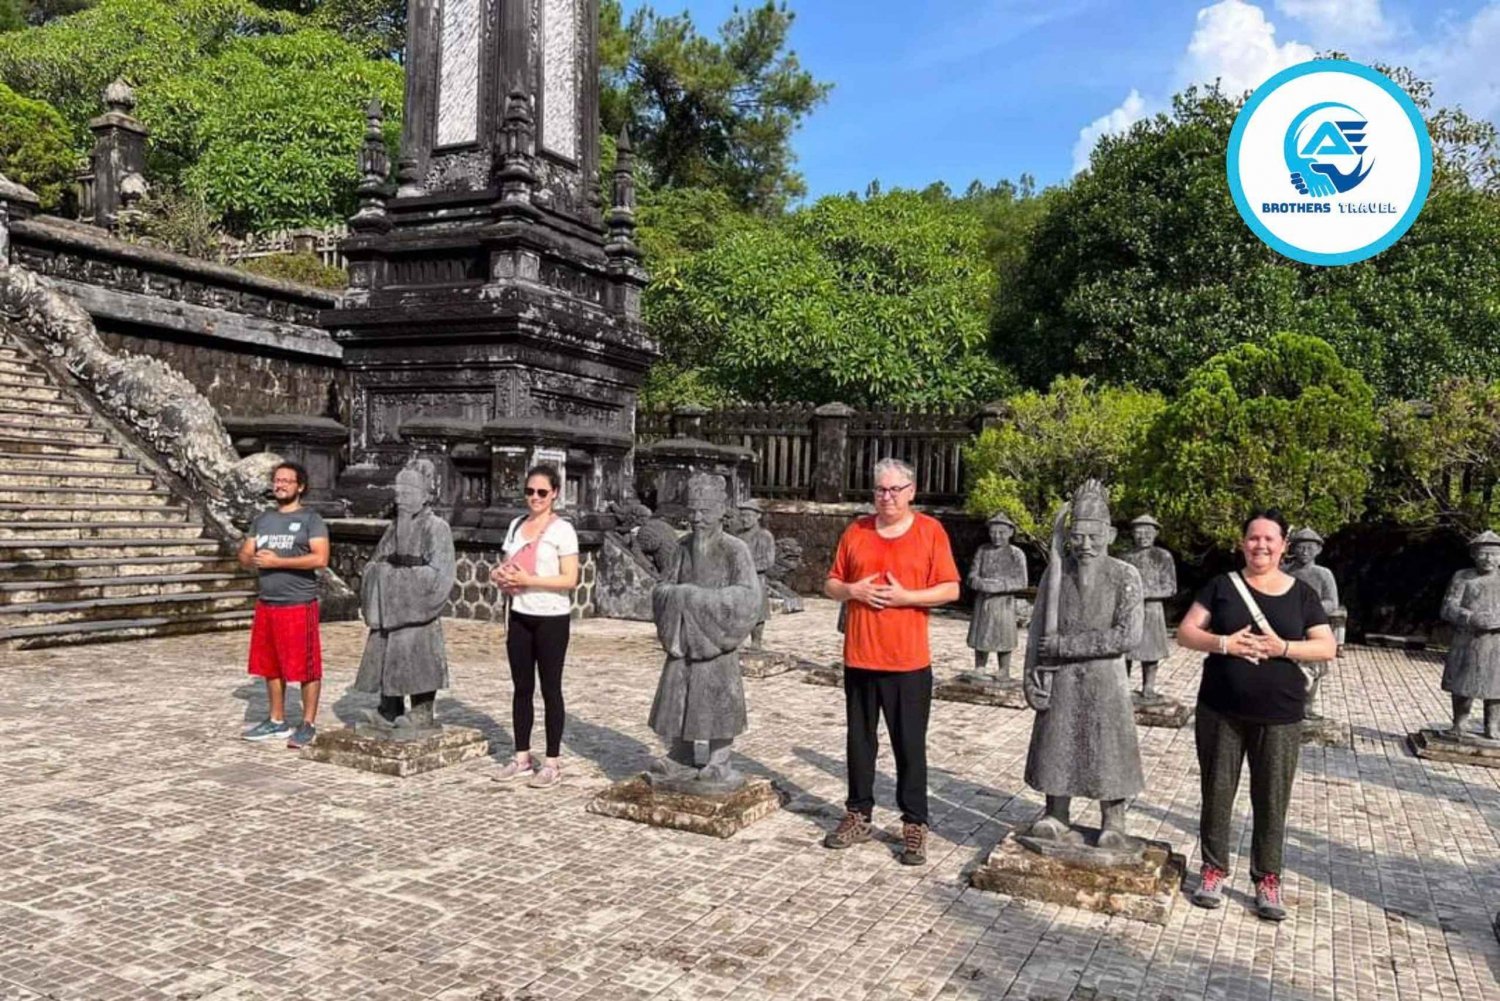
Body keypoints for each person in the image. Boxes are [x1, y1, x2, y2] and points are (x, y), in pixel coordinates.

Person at [1176, 509, 1336, 921]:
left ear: (1284, 546)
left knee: (1271, 799)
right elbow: (1186, 632)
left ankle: (1268, 877)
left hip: (1280, 715)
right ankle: (1213, 869)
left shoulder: (1302, 595)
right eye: (1253, 538)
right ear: (1241, 543)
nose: (1260, 545)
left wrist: (1281, 648)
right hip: (1220, 710)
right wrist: (1225, 643)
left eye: (1269, 539)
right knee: (1217, 792)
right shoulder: (1221, 587)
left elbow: (1325, 647)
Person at [822, 458, 961, 866]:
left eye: (895, 489)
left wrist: (907, 598)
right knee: (859, 742)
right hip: (861, 658)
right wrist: (852, 590)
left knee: (909, 746)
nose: (887, 497)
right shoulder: (857, 531)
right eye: (880, 490)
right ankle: (858, 812)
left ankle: (914, 823)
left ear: (911, 491)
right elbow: (830, 584)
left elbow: (951, 589)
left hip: (908, 662)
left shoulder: (930, 532)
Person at [1020, 480, 1144, 849]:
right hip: (1061, 679)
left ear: (1110, 533)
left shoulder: (1125, 576)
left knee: (1109, 747)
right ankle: (1056, 812)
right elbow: (1038, 630)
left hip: (1107, 680)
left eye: (1093, 536)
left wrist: (1067, 646)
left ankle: (1114, 819)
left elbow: (1127, 636)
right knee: (1058, 743)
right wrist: (1030, 677)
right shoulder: (1057, 573)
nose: (1085, 544)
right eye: (1078, 536)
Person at [645, 473, 760, 788]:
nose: (697, 518)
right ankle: (680, 753)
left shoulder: (735, 549)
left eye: (705, 512)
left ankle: (719, 758)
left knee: (717, 694)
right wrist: (677, 597)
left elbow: (749, 596)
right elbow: (663, 586)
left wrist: (698, 600)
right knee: (678, 691)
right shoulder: (682, 547)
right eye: (692, 511)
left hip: (716, 640)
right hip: (684, 638)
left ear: (721, 511)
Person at [489, 465, 579, 788]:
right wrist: (499, 575)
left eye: (542, 492)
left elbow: (570, 578)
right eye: (530, 492)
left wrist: (531, 580)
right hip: (519, 614)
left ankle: (552, 761)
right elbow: (506, 563)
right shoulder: (516, 526)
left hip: (552, 618)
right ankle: (521, 755)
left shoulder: (562, 531)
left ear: (554, 493)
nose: (535, 498)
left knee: (550, 688)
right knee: (521, 688)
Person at [354, 460, 456, 731]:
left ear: (424, 495)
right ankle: (388, 709)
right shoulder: (393, 527)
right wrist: (381, 575)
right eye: (398, 494)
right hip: (390, 607)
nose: (401, 499)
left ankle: (422, 712)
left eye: (408, 493)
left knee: (418, 656)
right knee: (387, 654)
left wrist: (393, 580)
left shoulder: (436, 528)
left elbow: (440, 576)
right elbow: (375, 562)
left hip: (416, 611)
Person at [238, 461, 330, 749]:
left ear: (300, 486)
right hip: (267, 603)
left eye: (287, 481)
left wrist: (279, 561)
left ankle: (307, 724)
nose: (280, 485)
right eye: (277, 480)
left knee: (305, 667)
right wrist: (248, 554)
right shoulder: (263, 519)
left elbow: (320, 559)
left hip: (298, 603)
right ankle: (276, 720)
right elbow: (244, 558)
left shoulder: (310, 520)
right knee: (270, 664)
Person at [1439, 529, 1500, 740]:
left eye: (1493, 554)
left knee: (1496, 686)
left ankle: (1492, 726)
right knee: (1462, 683)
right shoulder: (1463, 577)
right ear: (1474, 555)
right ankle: (1459, 723)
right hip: (1467, 639)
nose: (1488, 558)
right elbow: (1448, 607)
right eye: (1483, 553)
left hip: (1497, 642)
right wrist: (1470, 618)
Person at [966, 511, 1028, 680]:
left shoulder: (1016, 554)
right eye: (993, 532)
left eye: (1001, 532)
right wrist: (981, 584)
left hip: (1004, 603)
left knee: (1004, 636)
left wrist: (1000, 586)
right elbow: (971, 576)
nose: (997, 536)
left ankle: (1004, 669)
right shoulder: (983, 550)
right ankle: (979, 667)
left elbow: (1022, 581)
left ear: (1010, 532)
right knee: (981, 634)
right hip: (984, 601)